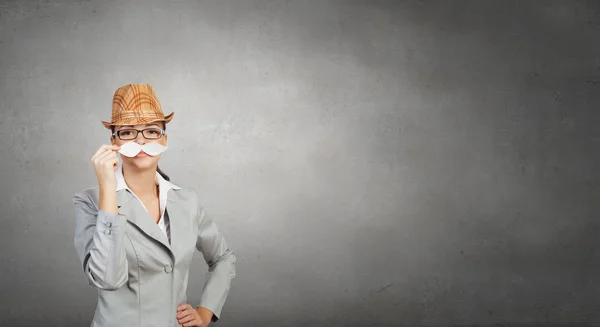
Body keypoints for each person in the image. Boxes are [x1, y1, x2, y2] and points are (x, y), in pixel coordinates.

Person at [73, 84, 236, 327]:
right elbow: (107, 278)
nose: (140, 140)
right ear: (114, 141)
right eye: (128, 132)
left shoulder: (187, 200)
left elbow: (223, 257)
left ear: (163, 139)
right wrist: (107, 188)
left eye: (150, 131)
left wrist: (205, 310)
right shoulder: (89, 202)